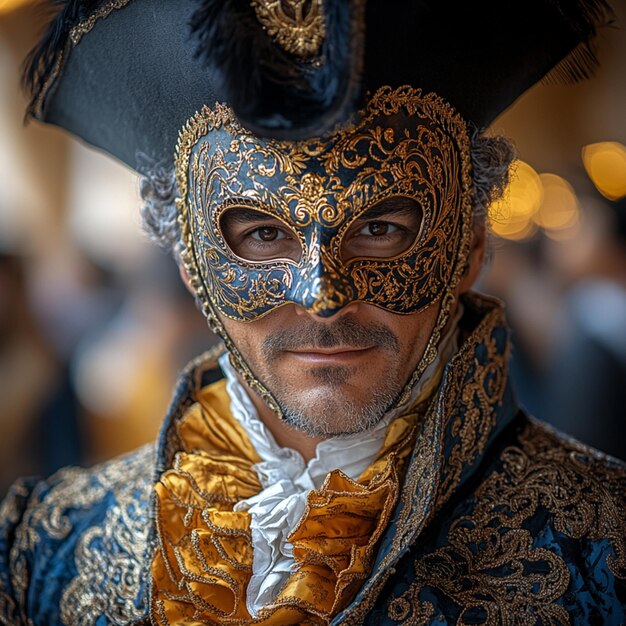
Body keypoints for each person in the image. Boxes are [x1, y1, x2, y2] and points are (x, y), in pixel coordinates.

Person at [1, 1, 625, 625]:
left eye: (378, 228)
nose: (323, 295)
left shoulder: (606, 550)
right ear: (191, 264)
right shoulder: (47, 553)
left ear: (468, 250)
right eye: (264, 236)